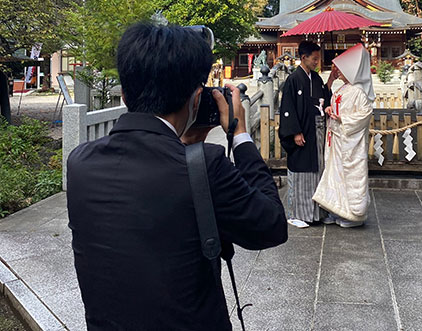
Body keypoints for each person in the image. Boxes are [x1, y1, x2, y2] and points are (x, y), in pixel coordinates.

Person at [66, 22, 288, 331]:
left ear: (127, 93)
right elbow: (272, 226)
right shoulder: (205, 166)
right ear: (197, 98)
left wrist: (186, 144)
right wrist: (239, 135)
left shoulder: (80, 164)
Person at [313, 44, 375, 228]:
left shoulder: (359, 92)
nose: (337, 71)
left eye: (341, 68)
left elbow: (364, 114)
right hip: (336, 140)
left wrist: (343, 118)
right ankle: (335, 209)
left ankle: (352, 214)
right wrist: (330, 109)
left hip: (349, 142)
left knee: (350, 175)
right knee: (334, 173)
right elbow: (333, 104)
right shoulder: (341, 89)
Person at [279, 41, 337, 227]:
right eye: (314, 58)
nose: (317, 62)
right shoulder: (294, 79)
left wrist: (331, 80)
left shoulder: (316, 78)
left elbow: (323, 97)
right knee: (303, 172)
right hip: (302, 130)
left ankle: (317, 213)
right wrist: (295, 131)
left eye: (318, 58)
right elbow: (288, 107)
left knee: (318, 170)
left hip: (316, 130)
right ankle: (297, 214)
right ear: (303, 58)